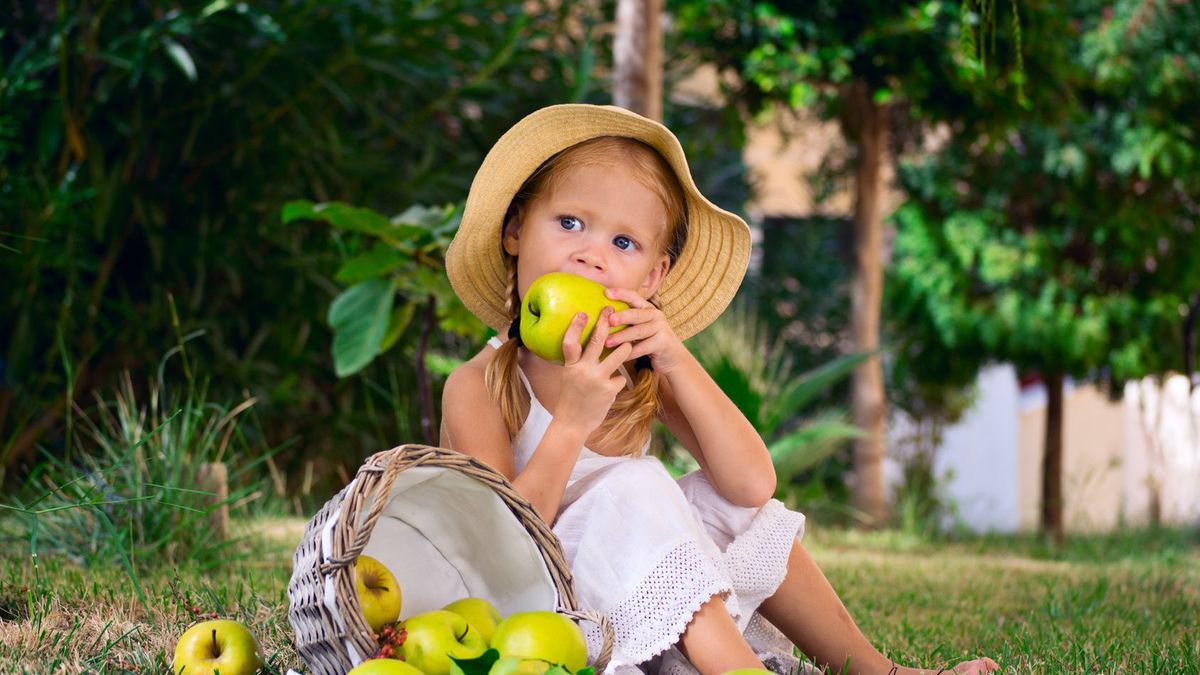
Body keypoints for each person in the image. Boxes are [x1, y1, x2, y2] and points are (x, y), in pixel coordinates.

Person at [441, 104, 999, 675]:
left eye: (625, 243)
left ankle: (879, 672)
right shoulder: (478, 386)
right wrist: (573, 422)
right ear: (514, 232)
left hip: (645, 590)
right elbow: (504, 546)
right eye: (569, 223)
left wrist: (675, 360)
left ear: (652, 279)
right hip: (546, 609)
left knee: (723, 504)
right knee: (633, 483)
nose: (591, 254)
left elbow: (751, 485)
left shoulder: (638, 371)